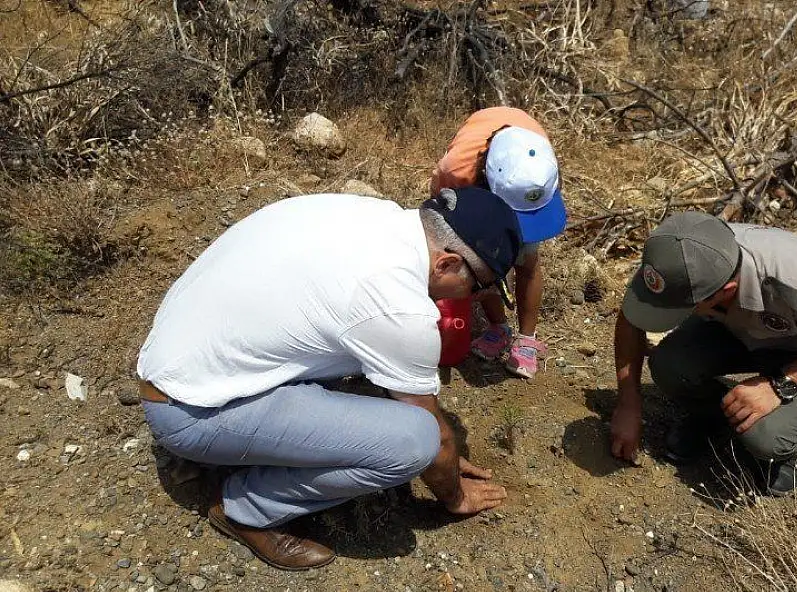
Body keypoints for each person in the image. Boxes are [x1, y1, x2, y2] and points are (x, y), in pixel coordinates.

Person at [135, 187, 522, 570]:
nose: (475, 300)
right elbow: (435, 440)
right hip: (189, 412)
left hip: (174, 357)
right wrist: (453, 492)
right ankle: (244, 510)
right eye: (480, 285)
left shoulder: (374, 216)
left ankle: (231, 449)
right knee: (414, 440)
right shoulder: (399, 307)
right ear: (447, 264)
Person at [608, 212, 797, 496]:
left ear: (725, 291)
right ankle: (715, 415)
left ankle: (784, 450)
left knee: (768, 439)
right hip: (733, 330)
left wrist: (779, 386)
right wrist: (628, 403)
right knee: (668, 366)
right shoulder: (681, 257)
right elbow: (632, 317)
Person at [431, 107, 568, 379]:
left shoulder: (539, 160)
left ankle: (527, 339)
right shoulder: (456, 171)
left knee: (528, 260)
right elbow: (438, 208)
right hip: (478, 178)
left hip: (522, 159)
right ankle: (498, 327)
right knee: (484, 261)